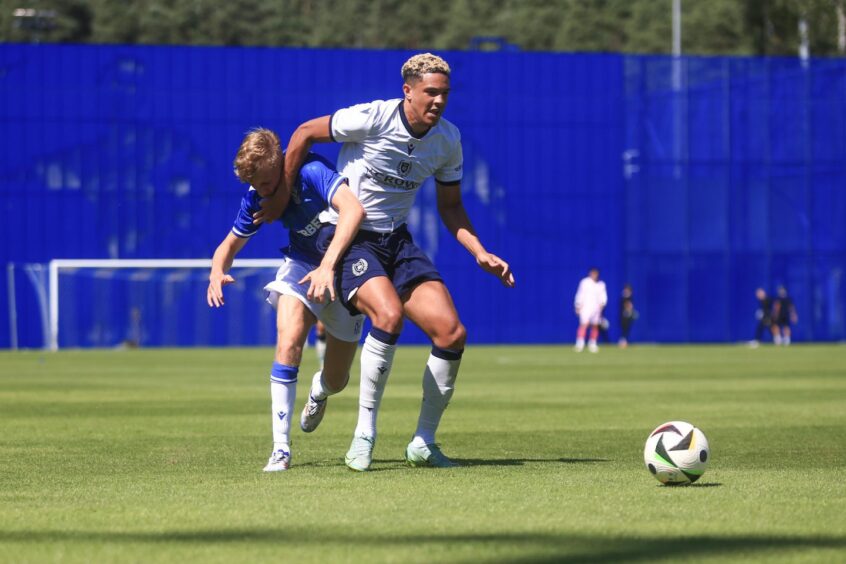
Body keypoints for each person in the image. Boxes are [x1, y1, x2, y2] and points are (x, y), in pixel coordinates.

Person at [256, 53, 515, 471]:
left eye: (444, 94)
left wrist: (479, 251)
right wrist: (282, 198)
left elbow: (451, 207)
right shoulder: (373, 117)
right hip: (347, 238)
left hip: (397, 242)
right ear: (407, 90)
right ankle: (364, 435)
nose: (438, 101)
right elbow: (304, 133)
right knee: (389, 316)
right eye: (431, 92)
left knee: (452, 333)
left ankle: (423, 443)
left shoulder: (448, 140)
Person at [207, 128, 365, 472]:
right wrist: (217, 270)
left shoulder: (311, 172)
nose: (262, 192)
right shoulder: (257, 195)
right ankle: (281, 448)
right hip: (301, 264)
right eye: (256, 185)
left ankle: (319, 391)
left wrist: (328, 266)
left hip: (345, 267)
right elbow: (228, 246)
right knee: (289, 341)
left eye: (266, 182)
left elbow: (353, 211)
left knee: (337, 379)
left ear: (281, 164)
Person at [573, 267, 607, 353]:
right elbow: (580, 294)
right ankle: (580, 343)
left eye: (596, 273)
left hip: (596, 308)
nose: (594, 275)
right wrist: (578, 305)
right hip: (586, 308)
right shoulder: (585, 282)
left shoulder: (601, 284)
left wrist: (602, 305)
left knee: (595, 325)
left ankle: (592, 344)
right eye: (593, 273)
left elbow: (603, 297)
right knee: (584, 324)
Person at [618, 283, 636, 348]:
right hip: (623, 317)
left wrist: (631, 312)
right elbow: (626, 305)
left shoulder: (630, 297)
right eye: (626, 289)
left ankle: (624, 342)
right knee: (623, 329)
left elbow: (630, 306)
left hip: (628, 316)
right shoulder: (623, 297)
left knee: (626, 330)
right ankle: (622, 342)